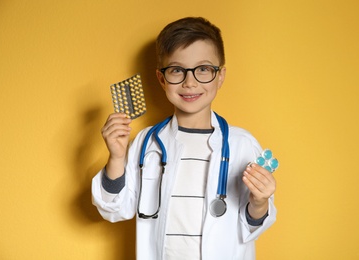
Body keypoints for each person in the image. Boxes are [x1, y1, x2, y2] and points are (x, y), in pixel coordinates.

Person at [92, 17, 277, 260]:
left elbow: (252, 225)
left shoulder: (242, 144)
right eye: (177, 70)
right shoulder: (147, 143)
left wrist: (260, 201)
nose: (190, 83)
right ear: (161, 78)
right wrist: (116, 157)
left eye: (203, 69)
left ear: (220, 76)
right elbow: (114, 209)